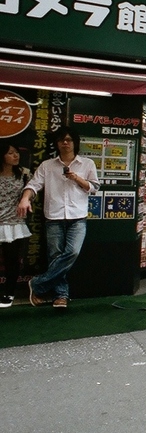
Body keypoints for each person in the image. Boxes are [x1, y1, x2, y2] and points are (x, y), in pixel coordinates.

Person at [16, 127, 99, 308]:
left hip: (77, 217)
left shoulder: (87, 163)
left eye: (69, 140)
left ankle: (37, 283)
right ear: (57, 143)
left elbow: (94, 187)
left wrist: (76, 178)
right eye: (62, 140)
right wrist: (24, 198)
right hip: (53, 217)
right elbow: (34, 184)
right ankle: (61, 296)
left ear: (75, 142)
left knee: (72, 252)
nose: (66, 143)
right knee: (55, 256)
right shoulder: (47, 165)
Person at [1, 142, 31, 307]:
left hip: (14, 223)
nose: (15, 156)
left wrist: (27, 198)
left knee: (12, 260)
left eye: (16, 152)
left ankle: (9, 293)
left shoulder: (24, 174)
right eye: (10, 153)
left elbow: (33, 190)